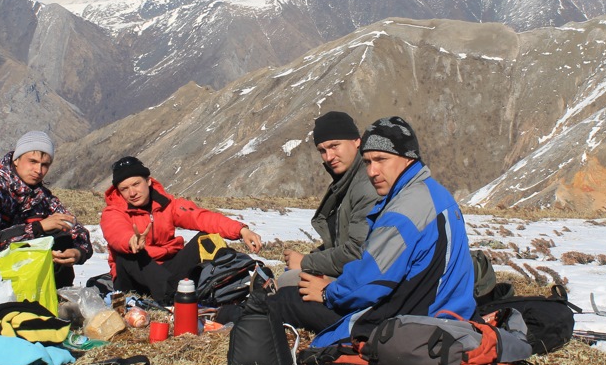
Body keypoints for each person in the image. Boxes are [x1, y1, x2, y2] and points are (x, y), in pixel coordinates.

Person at [268, 116, 476, 347]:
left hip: (412, 322)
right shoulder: (433, 192)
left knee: (288, 299)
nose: (372, 171)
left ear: (408, 158)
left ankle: (228, 322)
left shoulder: (403, 211)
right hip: (445, 311)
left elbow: (371, 282)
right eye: (367, 162)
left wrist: (328, 292)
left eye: (381, 159)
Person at [100, 156, 263, 304]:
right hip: (135, 279)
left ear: (148, 181)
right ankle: (172, 298)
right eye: (124, 189)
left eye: (136, 184)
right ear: (118, 192)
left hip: (167, 270)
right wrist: (131, 241)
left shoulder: (166, 204)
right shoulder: (114, 211)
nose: (132, 193)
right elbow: (115, 230)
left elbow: (200, 217)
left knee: (206, 238)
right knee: (129, 254)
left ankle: (231, 278)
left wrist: (242, 230)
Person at [0, 131, 93, 288]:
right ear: (17, 159)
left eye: (45, 165)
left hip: (33, 279)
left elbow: (77, 230)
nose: (38, 170)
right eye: (32, 161)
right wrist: (38, 228)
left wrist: (78, 252)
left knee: (61, 235)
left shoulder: (42, 197)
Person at [278, 111, 380, 287]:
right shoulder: (348, 181)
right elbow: (342, 240)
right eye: (322, 151)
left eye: (334, 146)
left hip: (366, 284)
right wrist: (313, 257)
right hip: (355, 276)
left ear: (356, 141)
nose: (329, 157)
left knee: (288, 283)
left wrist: (305, 262)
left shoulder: (366, 186)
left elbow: (357, 252)